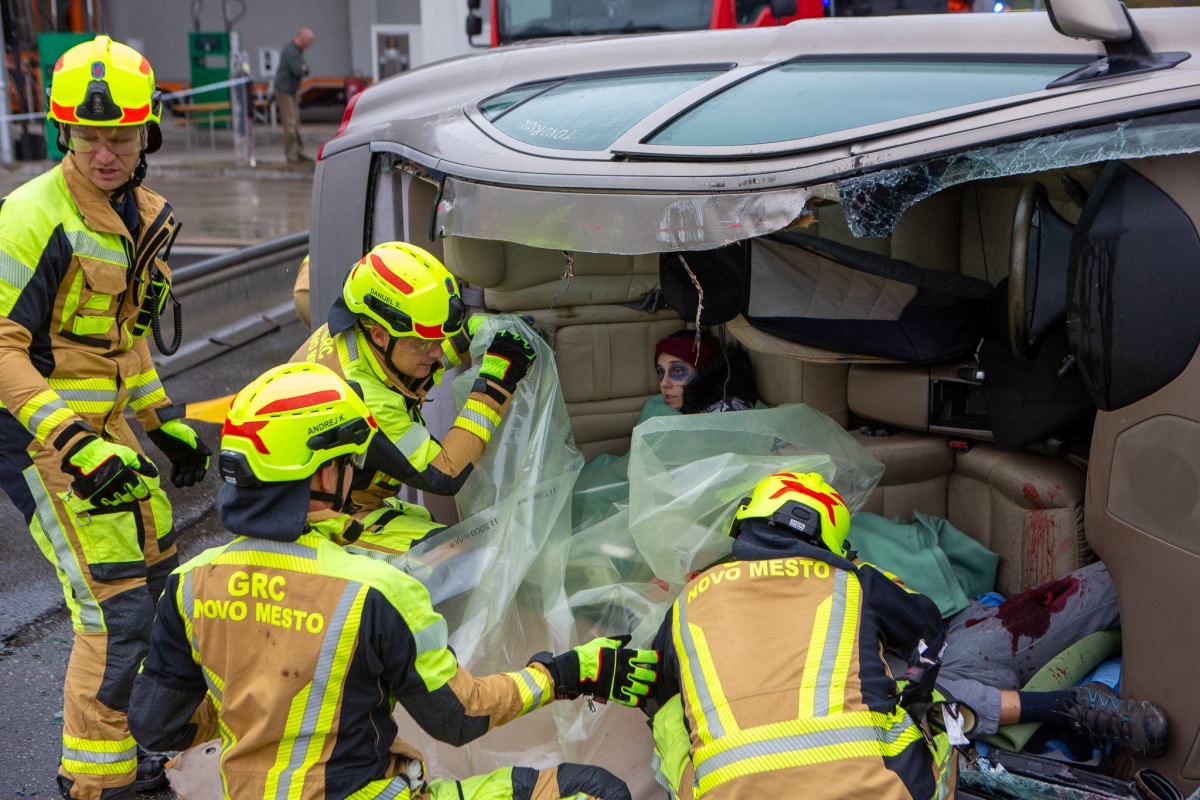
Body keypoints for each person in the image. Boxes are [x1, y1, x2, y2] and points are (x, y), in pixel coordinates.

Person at [127, 362, 659, 800]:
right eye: (349, 461)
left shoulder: (189, 584)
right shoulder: (376, 591)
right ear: (320, 474)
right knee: (590, 790)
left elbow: (158, 727)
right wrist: (567, 672)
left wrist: (261, 713)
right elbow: (460, 718)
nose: (356, 473)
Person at [0, 36, 210, 800]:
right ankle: (96, 784)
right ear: (65, 132)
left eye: (120, 136)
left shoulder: (137, 213)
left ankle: (125, 749)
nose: (105, 153)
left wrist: (160, 420)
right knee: (112, 609)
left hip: (103, 435)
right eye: (88, 137)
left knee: (153, 592)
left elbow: (120, 338)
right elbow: (1, 349)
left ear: (146, 130)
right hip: (38, 436)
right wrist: (71, 445)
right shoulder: (33, 217)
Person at [640, 469, 956, 799]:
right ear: (834, 543)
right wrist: (862, 569)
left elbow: (656, 682)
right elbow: (927, 624)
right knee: (934, 699)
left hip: (732, 792)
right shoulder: (853, 581)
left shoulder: (689, 599)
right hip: (873, 790)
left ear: (746, 520)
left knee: (670, 712)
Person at [292, 240, 535, 556]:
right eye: (425, 343)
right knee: (456, 558)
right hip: (317, 521)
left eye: (441, 339)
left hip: (330, 498)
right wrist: (495, 384)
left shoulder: (353, 334)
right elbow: (444, 473)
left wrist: (466, 338)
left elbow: (404, 367)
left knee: (437, 534)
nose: (436, 352)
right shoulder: (362, 400)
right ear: (380, 334)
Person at [642, 329, 759, 424]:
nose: (664, 383)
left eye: (677, 371)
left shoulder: (727, 413)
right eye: (661, 372)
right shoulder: (657, 408)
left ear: (704, 373)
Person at [275, 27, 313, 163]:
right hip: (285, 91)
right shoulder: (291, 51)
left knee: (295, 123)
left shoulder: (297, 51)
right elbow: (298, 70)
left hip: (292, 90)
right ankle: (291, 155)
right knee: (290, 124)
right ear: (303, 39)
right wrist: (303, 68)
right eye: (310, 40)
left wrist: (304, 68)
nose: (311, 44)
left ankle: (298, 152)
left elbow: (305, 69)